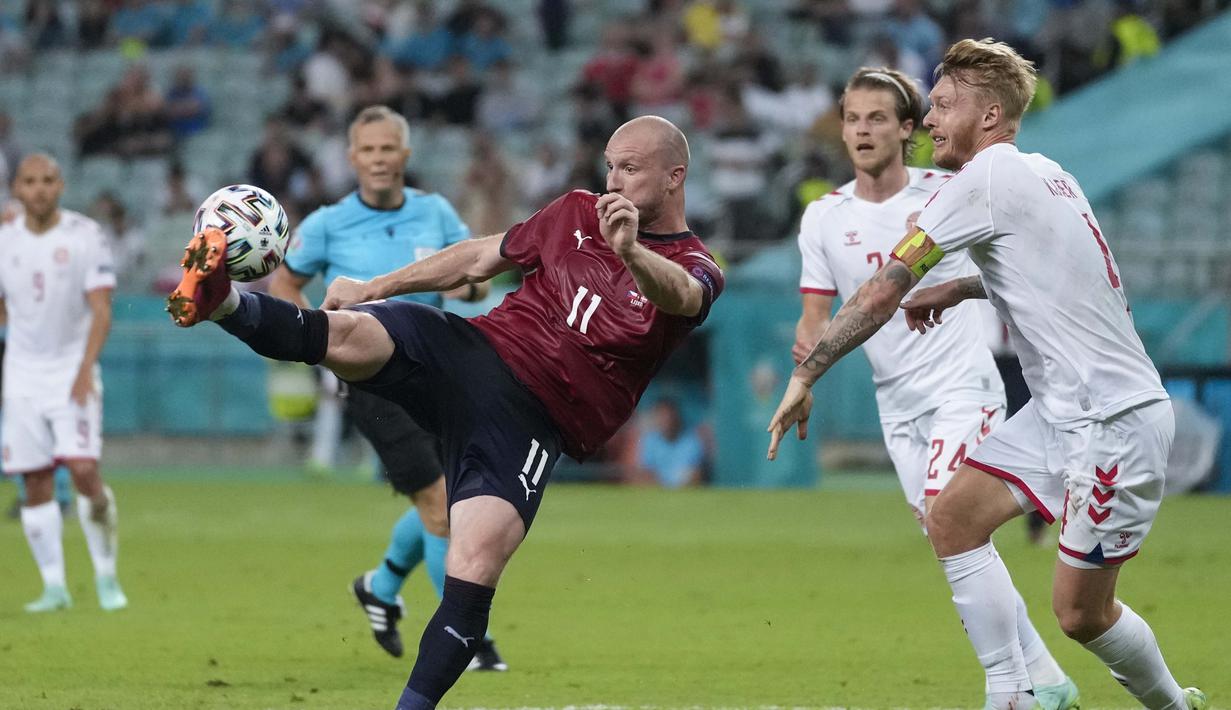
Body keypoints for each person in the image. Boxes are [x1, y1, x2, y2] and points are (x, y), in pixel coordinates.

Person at [166, 115, 722, 709]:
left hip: (536, 419)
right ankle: (220, 299)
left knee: (474, 563)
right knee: (346, 333)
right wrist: (374, 286)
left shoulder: (698, 266)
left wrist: (631, 251)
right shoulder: (577, 210)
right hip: (474, 352)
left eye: (630, 168)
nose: (613, 180)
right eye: (609, 165)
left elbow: (681, 297)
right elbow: (479, 258)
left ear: (674, 177)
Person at [767, 39, 1206, 710]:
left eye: (943, 105)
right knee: (951, 520)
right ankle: (1012, 694)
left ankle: (1173, 705)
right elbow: (1056, 274)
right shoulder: (1045, 172)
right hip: (1060, 412)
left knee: (1080, 616)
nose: (931, 120)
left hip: (1110, 422)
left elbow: (881, 290)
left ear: (991, 115)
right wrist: (965, 288)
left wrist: (807, 376)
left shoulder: (981, 178)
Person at [793, 66, 1079, 708]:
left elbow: (1013, 265)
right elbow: (815, 310)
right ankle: (1048, 680)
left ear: (905, 128)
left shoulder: (948, 193)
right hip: (896, 405)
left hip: (962, 387)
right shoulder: (822, 216)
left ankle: (1008, 690)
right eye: (851, 118)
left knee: (951, 521)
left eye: (876, 117)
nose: (862, 130)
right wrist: (807, 352)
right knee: (947, 536)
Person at [267, 105, 504, 670]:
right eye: (367, 150)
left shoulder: (436, 212)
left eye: (387, 148)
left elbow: (469, 275)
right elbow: (285, 281)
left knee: (451, 496)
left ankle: (381, 585)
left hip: (439, 369)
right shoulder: (326, 223)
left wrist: (469, 292)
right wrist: (316, 343)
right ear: (353, 159)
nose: (378, 159)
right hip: (371, 377)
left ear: (405, 155)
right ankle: (462, 635)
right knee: (442, 503)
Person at [0, 154, 126, 612]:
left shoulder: (84, 235)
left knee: (83, 469)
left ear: (61, 185)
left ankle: (106, 576)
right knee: (34, 479)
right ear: (16, 187)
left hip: (72, 369)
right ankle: (54, 587)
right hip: (22, 375)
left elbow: (102, 310)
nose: (39, 189)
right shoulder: (4, 238)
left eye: (47, 180)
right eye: (30, 181)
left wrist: (83, 370)